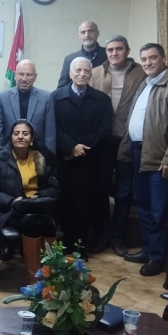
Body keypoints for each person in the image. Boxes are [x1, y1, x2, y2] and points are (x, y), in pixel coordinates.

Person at [119, 43, 168, 276]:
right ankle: (147, 250)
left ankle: (157, 257)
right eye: (144, 59)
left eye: (152, 58)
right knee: (143, 206)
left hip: (160, 158)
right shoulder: (146, 83)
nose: (148, 63)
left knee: (158, 211)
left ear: (164, 58)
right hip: (139, 153)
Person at [0, 119, 59, 284]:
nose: (20, 137)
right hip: (8, 210)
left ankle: (50, 278)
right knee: (30, 222)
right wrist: (11, 200)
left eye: (25, 133)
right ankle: (35, 281)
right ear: (11, 137)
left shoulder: (41, 158)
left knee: (49, 223)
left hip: (36, 206)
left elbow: (54, 189)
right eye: (16, 133)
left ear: (32, 138)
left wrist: (38, 196)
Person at [88, 35, 146, 256]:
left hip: (128, 139)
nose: (114, 53)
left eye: (119, 49)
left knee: (123, 193)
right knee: (100, 190)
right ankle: (102, 236)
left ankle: (118, 238)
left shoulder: (141, 73)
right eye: (110, 49)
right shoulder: (95, 72)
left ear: (127, 50)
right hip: (102, 141)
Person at [52, 57, 113, 258]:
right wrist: (71, 147)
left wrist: (81, 146)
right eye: (78, 70)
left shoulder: (102, 100)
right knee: (64, 203)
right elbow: (52, 128)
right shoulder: (55, 97)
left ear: (91, 74)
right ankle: (63, 247)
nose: (82, 74)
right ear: (70, 73)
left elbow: (105, 129)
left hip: (90, 161)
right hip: (64, 160)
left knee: (85, 205)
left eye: (87, 71)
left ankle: (80, 249)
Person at [0, 59, 56, 154]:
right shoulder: (1, 97)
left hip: (37, 154)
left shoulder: (46, 97)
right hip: (9, 154)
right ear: (15, 75)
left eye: (29, 75)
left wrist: (50, 157)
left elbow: (50, 133)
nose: (24, 79)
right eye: (21, 74)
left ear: (35, 77)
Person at [57, 21, 107, 88]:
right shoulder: (70, 59)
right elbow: (62, 88)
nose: (87, 35)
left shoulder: (108, 55)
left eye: (90, 31)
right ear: (79, 36)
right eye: (83, 32)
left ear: (97, 33)